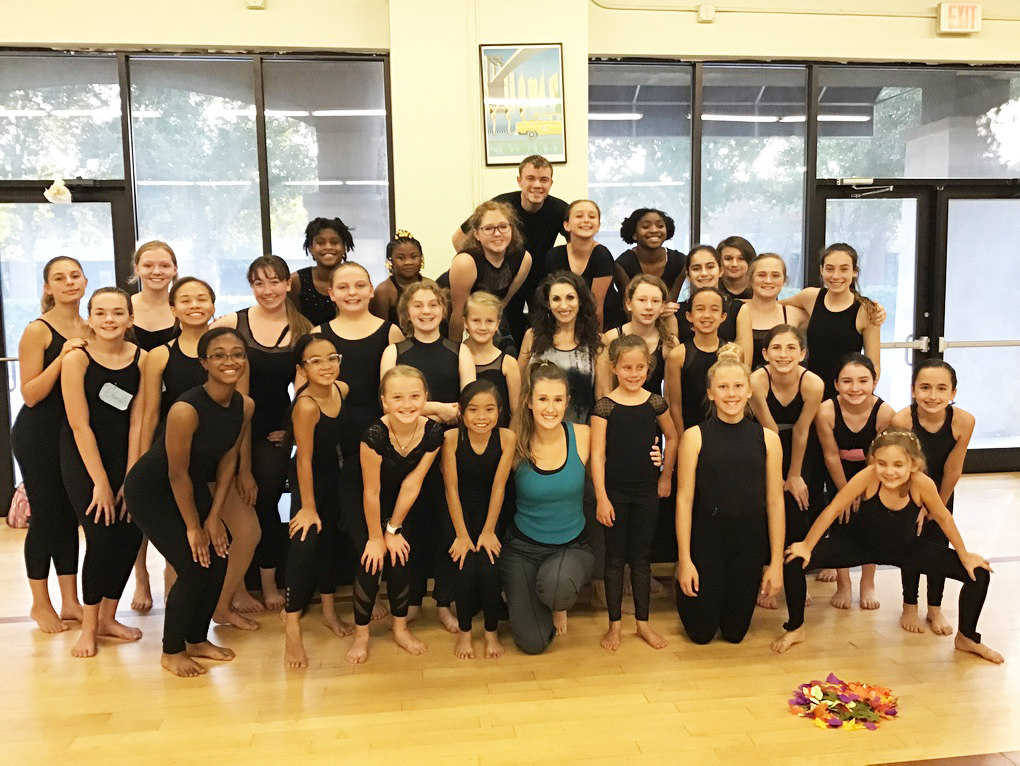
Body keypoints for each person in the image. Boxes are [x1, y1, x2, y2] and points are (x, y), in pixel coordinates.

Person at [771, 429, 1002, 665]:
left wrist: (964, 555)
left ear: (913, 464)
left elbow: (943, 518)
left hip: (906, 550)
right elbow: (833, 509)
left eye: (898, 465)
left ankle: (967, 637)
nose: (889, 471)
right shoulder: (868, 476)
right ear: (873, 461)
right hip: (859, 546)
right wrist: (807, 545)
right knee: (794, 560)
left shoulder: (922, 484)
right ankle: (796, 628)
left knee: (979, 574)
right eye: (882, 463)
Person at [124, 327, 253, 677]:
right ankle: (172, 650)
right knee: (194, 565)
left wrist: (213, 518)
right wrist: (194, 527)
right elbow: (175, 474)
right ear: (204, 363)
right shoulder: (186, 408)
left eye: (237, 354)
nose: (230, 361)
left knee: (220, 556)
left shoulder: (245, 405)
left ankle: (197, 639)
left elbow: (228, 462)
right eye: (219, 355)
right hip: (151, 489)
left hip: (190, 484)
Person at [138, 277, 261, 630]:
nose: (195, 305)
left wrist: (245, 470)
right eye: (186, 299)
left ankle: (220, 605)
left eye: (202, 299)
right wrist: (141, 463)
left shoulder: (234, 354)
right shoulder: (160, 355)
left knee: (248, 532)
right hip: (177, 465)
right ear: (172, 308)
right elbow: (147, 415)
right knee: (186, 549)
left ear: (213, 305)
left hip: (220, 461)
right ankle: (182, 623)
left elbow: (242, 416)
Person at [215, 255, 312, 610]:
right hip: (231, 427)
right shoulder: (231, 323)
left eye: (275, 282)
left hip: (271, 430)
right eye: (259, 283)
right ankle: (236, 586)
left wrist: (290, 429)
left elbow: (305, 389)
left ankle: (270, 584)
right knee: (230, 503)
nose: (267, 290)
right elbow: (204, 365)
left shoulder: (304, 329)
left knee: (264, 504)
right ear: (251, 287)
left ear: (288, 285)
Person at [675, 345, 785, 644]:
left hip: (747, 543)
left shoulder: (768, 440)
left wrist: (775, 563)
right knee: (700, 634)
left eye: (738, 386)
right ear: (711, 393)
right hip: (707, 541)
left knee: (735, 634)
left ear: (749, 391)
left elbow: (775, 504)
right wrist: (685, 560)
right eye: (723, 387)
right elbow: (684, 501)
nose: (731, 393)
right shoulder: (694, 436)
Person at [382, 279, 474, 630]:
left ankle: (444, 603)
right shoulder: (396, 351)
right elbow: (391, 406)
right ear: (407, 311)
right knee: (411, 526)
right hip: (405, 450)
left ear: (443, 309)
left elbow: (463, 408)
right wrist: (435, 406)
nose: (425, 311)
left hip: (447, 450)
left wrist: (425, 410)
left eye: (432, 305)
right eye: (417, 305)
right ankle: (411, 600)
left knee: (445, 526)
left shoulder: (457, 350)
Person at [315, 261, 405, 622]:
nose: (352, 293)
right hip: (333, 435)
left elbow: (397, 390)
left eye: (359, 286)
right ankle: (327, 603)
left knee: (377, 512)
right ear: (331, 293)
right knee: (334, 516)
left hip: (379, 433)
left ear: (372, 291)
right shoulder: (318, 333)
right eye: (344, 287)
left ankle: (371, 585)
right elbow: (306, 390)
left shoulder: (391, 332)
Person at [60, 287, 146, 658]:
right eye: (100, 313)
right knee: (100, 538)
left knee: (128, 535)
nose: (109, 320)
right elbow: (80, 425)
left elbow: (139, 422)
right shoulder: (77, 359)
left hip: (125, 457)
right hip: (84, 458)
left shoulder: (141, 358)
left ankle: (109, 618)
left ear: (130, 318)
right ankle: (90, 626)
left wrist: (128, 479)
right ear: (90, 319)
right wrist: (100, 483)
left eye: (116, 313)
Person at [346, 366, 445, 664]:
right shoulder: (373, 436)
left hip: (400, 498)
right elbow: (370, 492)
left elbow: (412, 484)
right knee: (371, 562)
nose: (407, 404)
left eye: (415, 396)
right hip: (361, 494)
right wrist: (376, 537)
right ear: (385, 402)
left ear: (426, 397)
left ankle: (400, 629)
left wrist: (393, 529)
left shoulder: (433, 432)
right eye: (398, 397)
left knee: (401, 558)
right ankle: (361, 635)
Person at [13, 256, 89, 634]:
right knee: (45, 517)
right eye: (59, 278)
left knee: (69, 516)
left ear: (85, 280)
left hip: (73, 434)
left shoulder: (91, 327)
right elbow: (30, 394)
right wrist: (63, 357)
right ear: (48, 287)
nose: (69, 282)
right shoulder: (37, 330)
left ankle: (70, 600)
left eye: (75, 275)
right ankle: (40, 603)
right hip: (38, 433)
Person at [499, 363, 595, 654]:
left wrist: (655, 456)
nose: (550, 408)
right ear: (529, 401)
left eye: (557, 399)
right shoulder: (514, 443)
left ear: (567, 402)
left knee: (556, 588)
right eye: (542, 399)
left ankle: (555, 601)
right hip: (522, 550)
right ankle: (525, 593)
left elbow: (615, 469)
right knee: (532, 643)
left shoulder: (583, 435)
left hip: (572, 547)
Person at [591, 335, 677, 651]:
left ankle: (643, 624)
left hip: (646, 492)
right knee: (615, 559)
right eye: (627, 367)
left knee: (641, 559)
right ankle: (614, 626)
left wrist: (665, 472)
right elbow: (597, 454)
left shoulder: (655, 402)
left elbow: (673, 436)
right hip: (614, 492)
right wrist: (601, 496)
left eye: (640, 367)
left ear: (648, 367)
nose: (634, 373)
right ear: (614, 368)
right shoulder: (604, 407)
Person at [283, 334, 354, 669]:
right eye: (316, 361)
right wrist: (307, 507)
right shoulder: (307, 405)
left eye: (332, 358)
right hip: (309, 481)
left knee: (329, 544)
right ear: (302, 369)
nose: (326, 366)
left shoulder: (342, 390)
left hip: (335, 478)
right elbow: (304, 460)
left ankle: (328, 611)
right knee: (306, 546)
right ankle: (292, 627)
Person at [892, 360, 975, 636]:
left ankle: (935, 607)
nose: (932, 396)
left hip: (941, 490)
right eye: (925, 388)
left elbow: (953, 468)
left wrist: (936, 504)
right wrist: (918, 502)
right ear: (913, 390)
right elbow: (903, 467)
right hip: (909, 487)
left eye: (942, 389)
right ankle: (909, 604)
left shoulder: (963, 421)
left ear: (953, 393)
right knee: (911, 542)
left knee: (938, 542)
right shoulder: (902, 420)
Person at [452, 155, 568, 346]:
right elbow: (458, 238)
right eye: (530, 178)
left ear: (551, 183)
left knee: (541, 337)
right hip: (504, 282)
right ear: (519, 181)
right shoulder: (501, 205)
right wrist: (483, 269)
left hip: (539, 282)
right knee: (506, 337)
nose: (537, 185)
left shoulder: (559, 209)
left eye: (543, 180)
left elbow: (576, 242)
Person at [749, 325, 824, 609]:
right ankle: (765, 575)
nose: (784, 354)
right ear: (765, 353)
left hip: (799, 447)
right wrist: (777, 477)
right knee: (764, 508)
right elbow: (769, 429)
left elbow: (803, 429)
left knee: (798, 507)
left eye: (791, 348)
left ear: (802, 353)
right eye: (777, 348)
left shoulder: (813, 384)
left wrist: (794, 475)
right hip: (763, 443)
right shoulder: (757, 380)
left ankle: (794, 578)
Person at [442, 380, 515, 659]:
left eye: (489, 409)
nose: (481, 417)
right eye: (473, 409)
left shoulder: (507, 438)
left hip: (490, 512)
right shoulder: (451, 439)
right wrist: (462, 535)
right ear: (461, 412)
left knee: (489, 569)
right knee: (465, 569)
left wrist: (488, 531)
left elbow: (499, 487)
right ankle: (464, 633)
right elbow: (451, 489)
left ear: (499, 412)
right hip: (458, 512)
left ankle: (491, 633)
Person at [815, 353, 895, 610]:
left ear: (874, 382)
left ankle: (867, 582)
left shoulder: (885, 413)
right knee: (840, 519)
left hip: (872, 472)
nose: (855, 388)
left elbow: (879, 459)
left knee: (871, 520)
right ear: (836, 384)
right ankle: (843, 583)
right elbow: (830, 454)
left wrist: (863, 491)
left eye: (863, 380)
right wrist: (845, 493)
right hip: (838, 471)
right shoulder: (826, 410)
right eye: (847, 381)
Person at [783, 243, 882, 401]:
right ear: (822, 270)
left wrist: (862, 396)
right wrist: (737, 305)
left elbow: (874, 365)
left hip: (846, 394)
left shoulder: (866, 310)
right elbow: (770, 305)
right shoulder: (810, 297)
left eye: (844, 269)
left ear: (855, 271)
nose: (836, 276)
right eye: (829, 269)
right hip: (809, 391)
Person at [517, 271, 600, 425]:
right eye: (556, 299)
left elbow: (602, 397)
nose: (563, 305)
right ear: (548, 304)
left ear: (580, 300)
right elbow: (518, 389)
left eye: (570, 297)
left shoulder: (595, 343)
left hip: (580, 435)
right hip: (536, 433)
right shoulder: (532, 337)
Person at [448, 200, 532, 344]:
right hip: (453, 317)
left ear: (512, 229)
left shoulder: (524, 259)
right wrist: (455, 353)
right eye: (488, 229)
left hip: (487, 315)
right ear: (477, 234)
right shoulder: (465, 263)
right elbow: (457, 314)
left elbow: (501, 304)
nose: (497, 233)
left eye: (503, 227)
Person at [596, 274, 678, 398]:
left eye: (655, 301)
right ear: (629, 304)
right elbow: (603, 391)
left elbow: (671, 395)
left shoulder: (669, 343)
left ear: (662, 307)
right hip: (617, 411)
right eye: (642, 300)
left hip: (654, 411)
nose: (649, 307)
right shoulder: (611, 338)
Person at [542, 200, 614, 328]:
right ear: (566, 225)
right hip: (566, 318)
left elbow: (597, 307)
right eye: (579, 216)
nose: (586, 220)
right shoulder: (554, 255)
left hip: (603, 322)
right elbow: (554, 297)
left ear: (598, 225)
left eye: (591, 216)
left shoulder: (602, 255)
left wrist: (595, 342)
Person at [665, 286, 727, 436]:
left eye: (714, 309)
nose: (707, 315)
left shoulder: (731, 353)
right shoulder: (678, 355)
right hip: (690, 431)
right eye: (700, 309)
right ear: (689, 316)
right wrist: (682, 439)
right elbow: (675, 406)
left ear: (723, 317)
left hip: (725, 432)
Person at [675, 245, 751, 365]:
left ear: (720, 270)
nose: (704, 273)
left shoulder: (739, 309)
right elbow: (673, 363)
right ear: (688, 275)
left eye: (710, 267)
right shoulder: (677, 312)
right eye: (696, 268)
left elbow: (745, 363)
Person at [463, 291, 521, 429]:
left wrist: (509, 442)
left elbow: (517, 413)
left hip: (499, 440)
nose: (482, 327)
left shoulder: (508, 363)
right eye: (476, 320)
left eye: (489, 321)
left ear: (497, 324)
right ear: (465, 322)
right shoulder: (453, 356)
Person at [745, 254, 808, 371]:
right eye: (762, 275)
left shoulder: (794, 314)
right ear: (750, 278)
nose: (768, 281)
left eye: (775, 275)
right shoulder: (737, 311)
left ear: (784, 280)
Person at [289, 216, 354, 326]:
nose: (328, 247)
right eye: (320, 242)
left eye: (334, 242)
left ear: (344, 247)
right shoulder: (296, 282)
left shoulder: (356, 278)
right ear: (310, 248)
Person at [614, 208, 687, 304]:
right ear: (634, 234)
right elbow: (629, 306)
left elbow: (670, 304)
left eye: (660, 226)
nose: (654, 230)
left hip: (667, 316)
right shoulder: (622, 264)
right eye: (646, 226)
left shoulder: (680, 261)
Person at [129, 240, 179, 351]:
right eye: (148, 265)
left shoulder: (183, 308)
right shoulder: (123, 306)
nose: (156, 271)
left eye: (164, 266)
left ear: (174, 269)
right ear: (137, 269)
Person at [370, 230, 425, 325]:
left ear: (421, 258)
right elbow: (380, 330)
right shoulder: (383, 292)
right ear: (390, 261)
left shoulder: (431, 286)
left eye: (414, 257)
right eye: (401, 258)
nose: (408, 262)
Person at [716, 235, 756, 301]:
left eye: (741, 259)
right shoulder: (713, 289)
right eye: (728, 258)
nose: (734, 264)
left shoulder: (760, 289)